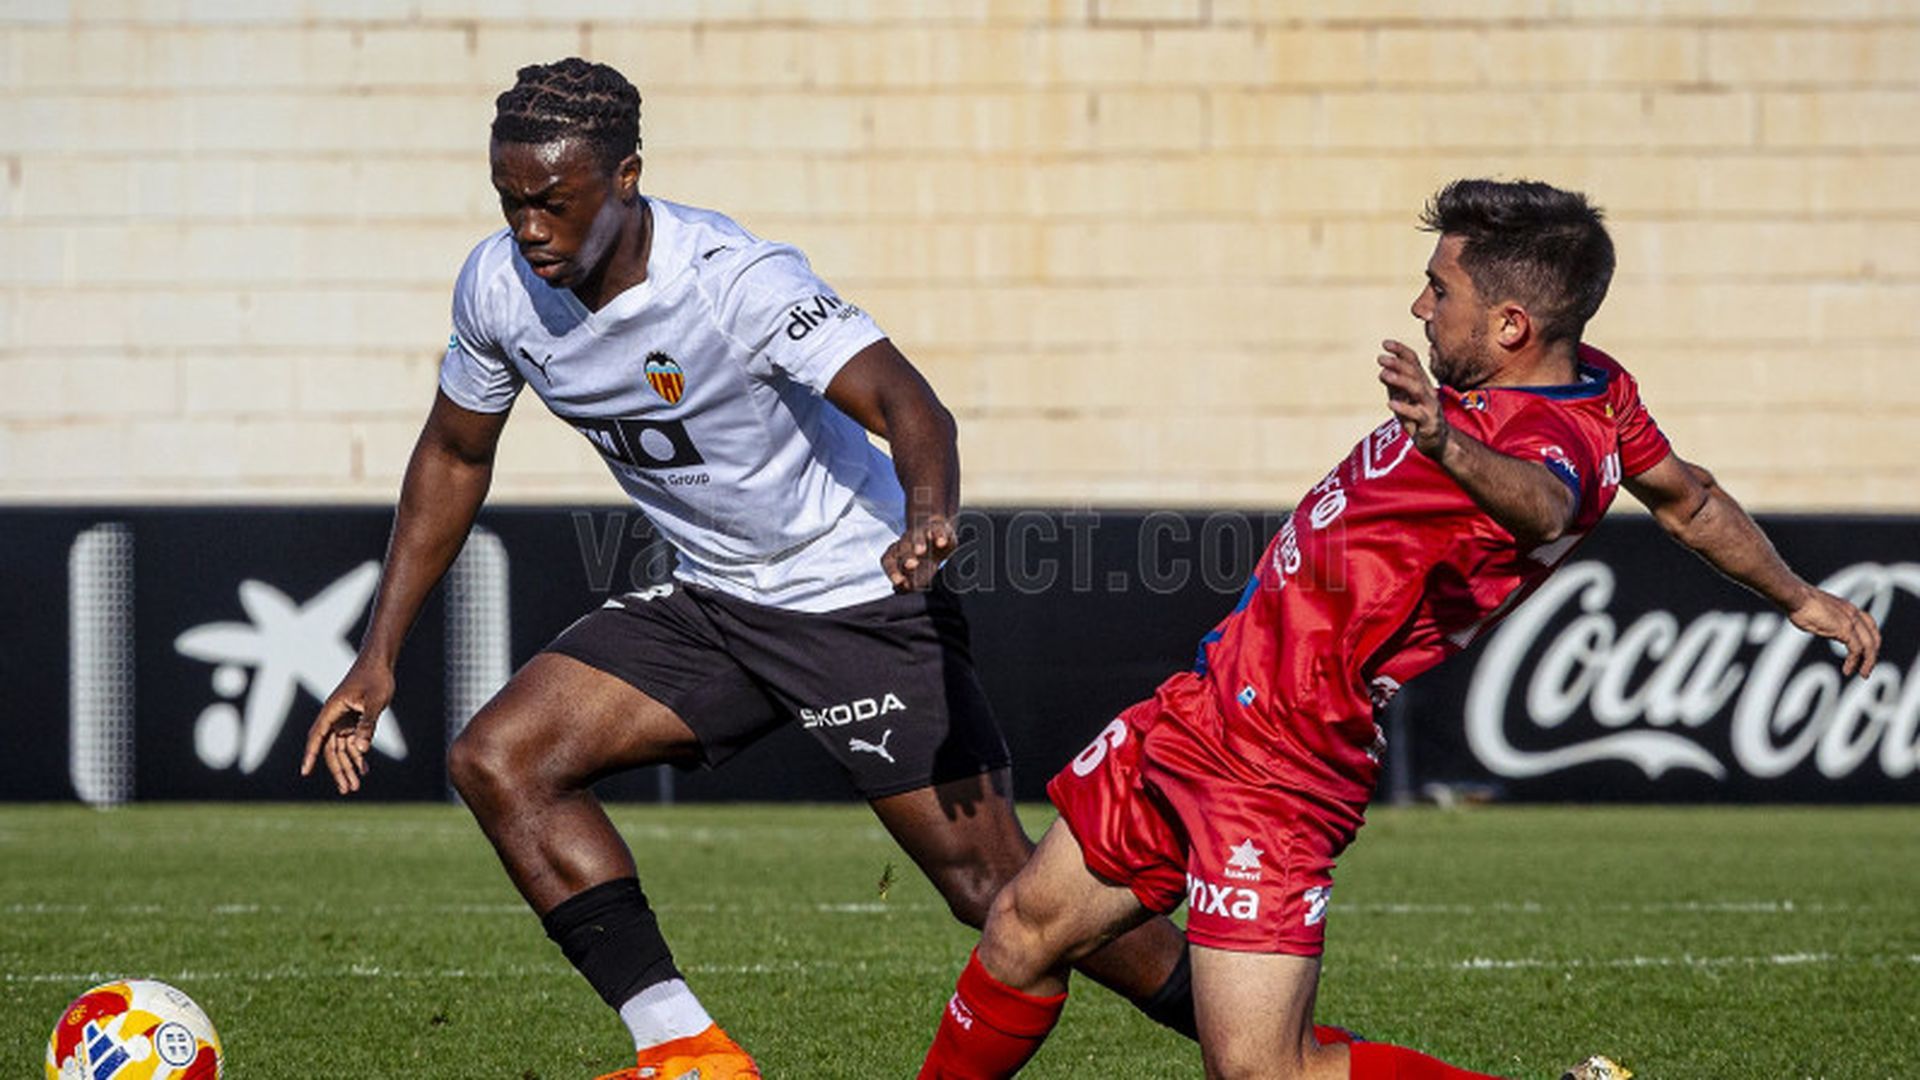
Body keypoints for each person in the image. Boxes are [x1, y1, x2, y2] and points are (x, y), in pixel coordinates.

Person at [297, 58, 1198, 1080]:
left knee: (997, 890)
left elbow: (910, 403)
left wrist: (930, 516)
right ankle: (688, 1052)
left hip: (858, 599)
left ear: (626, 175)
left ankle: (1255, 1042)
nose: (529, 229)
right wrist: (379, 655)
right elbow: (455, 455)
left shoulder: (735, 280)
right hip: (717, 602)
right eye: (510, 202)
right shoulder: (498, 287)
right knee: (502, 759)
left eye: (554, 202)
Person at [916, 178, 1883, 1080]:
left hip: (1284, 756)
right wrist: (1799, 596)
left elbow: (1545, 506)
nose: (1422, 308)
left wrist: (1442, 438)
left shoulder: (1551, 441)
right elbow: (1688, 498)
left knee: (1261, 1069)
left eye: (1439, 289)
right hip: (1208, 710)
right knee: (1023, 930)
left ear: (1511, 324)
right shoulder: (1597, 386)